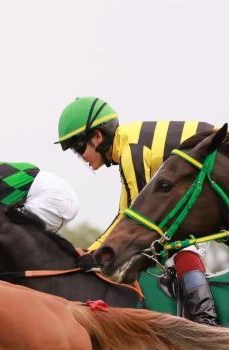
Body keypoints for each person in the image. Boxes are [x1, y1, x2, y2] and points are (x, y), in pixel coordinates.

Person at [57, 97, 218, 325]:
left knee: (174, 239)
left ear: (98, 137)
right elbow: (125, 212)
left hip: (215, 167)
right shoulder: (128, 148)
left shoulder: (131, 152)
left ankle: (205, 317)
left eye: (79, 147)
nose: (80, 156)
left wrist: (95, 254)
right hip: (207, 166)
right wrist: (93, 250)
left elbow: (136, 219)